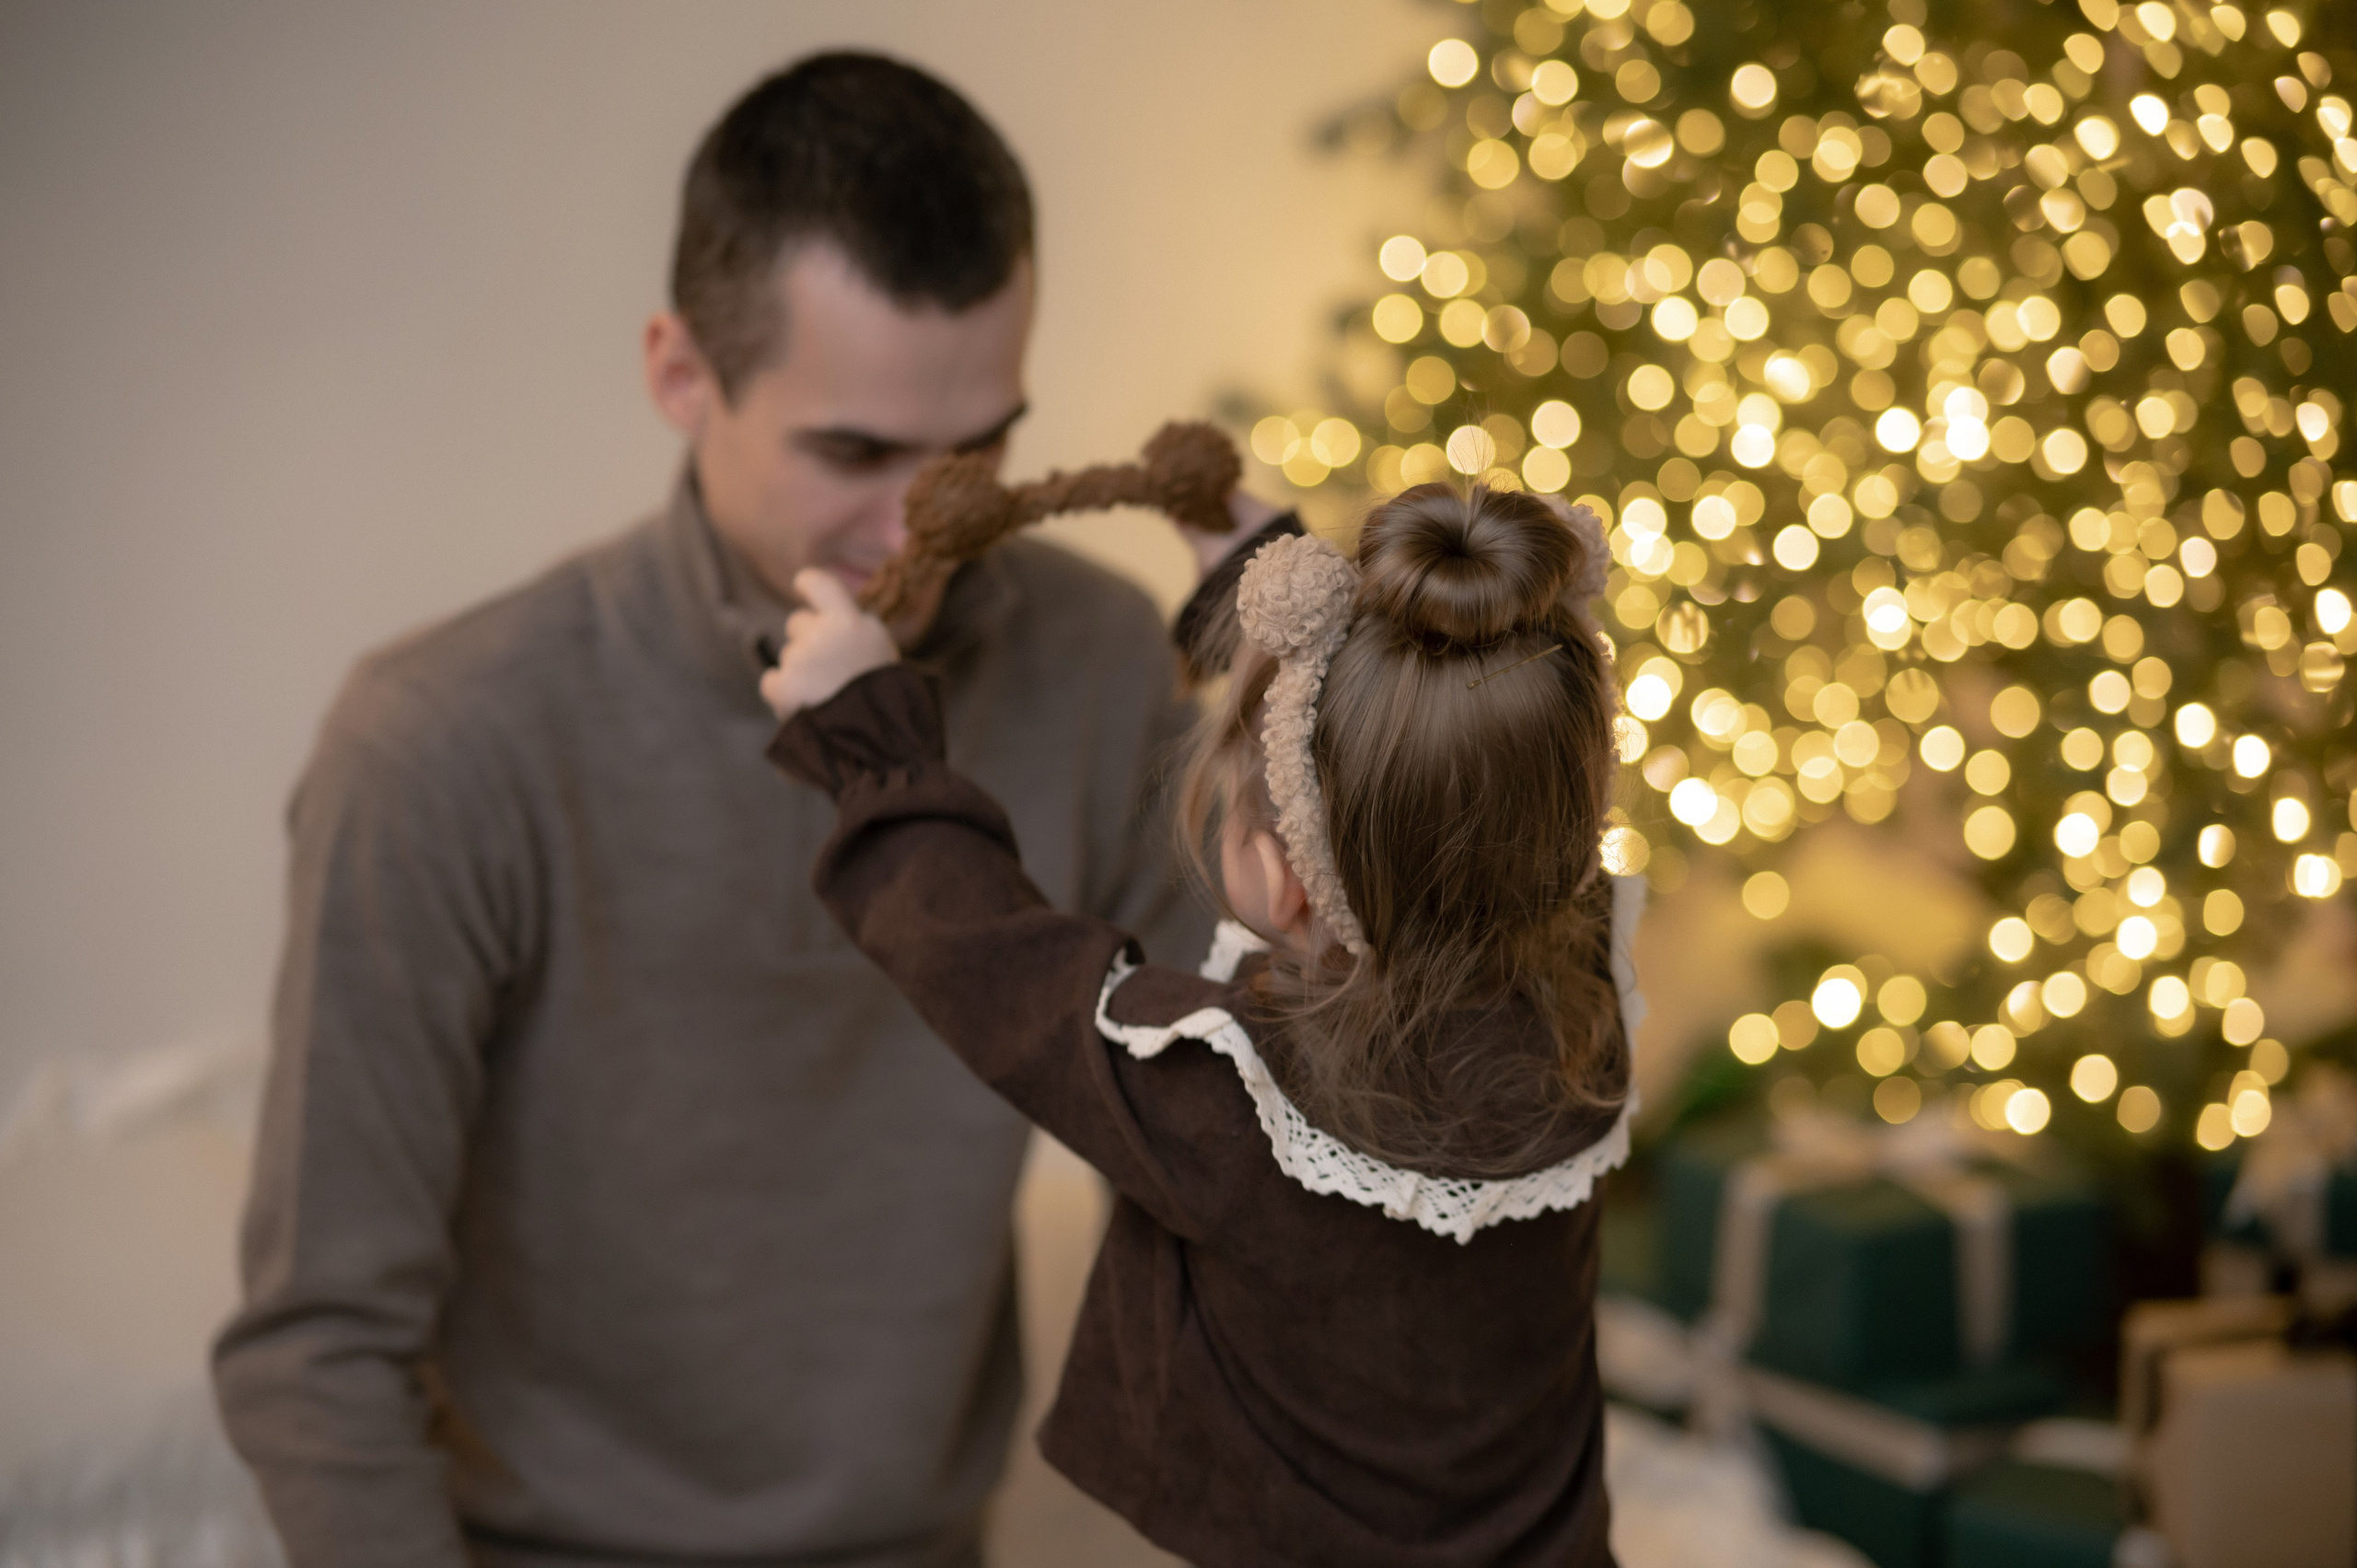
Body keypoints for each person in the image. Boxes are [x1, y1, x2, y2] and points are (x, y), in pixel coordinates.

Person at [213, 52, 1238, 1568]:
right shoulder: (441, 741)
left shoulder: (1093, 660)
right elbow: (315, 1347)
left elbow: (1253, 1125)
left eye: (984, 446)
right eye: (857, 451)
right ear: (680, 372)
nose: (927, 524)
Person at [758, 483, 1644, 1566]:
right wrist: (1257, 580)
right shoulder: (1589, 987)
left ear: (1284, 884)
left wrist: (864, 738)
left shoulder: (1223, 1098)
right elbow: (1442, 767)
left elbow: (992, 958)